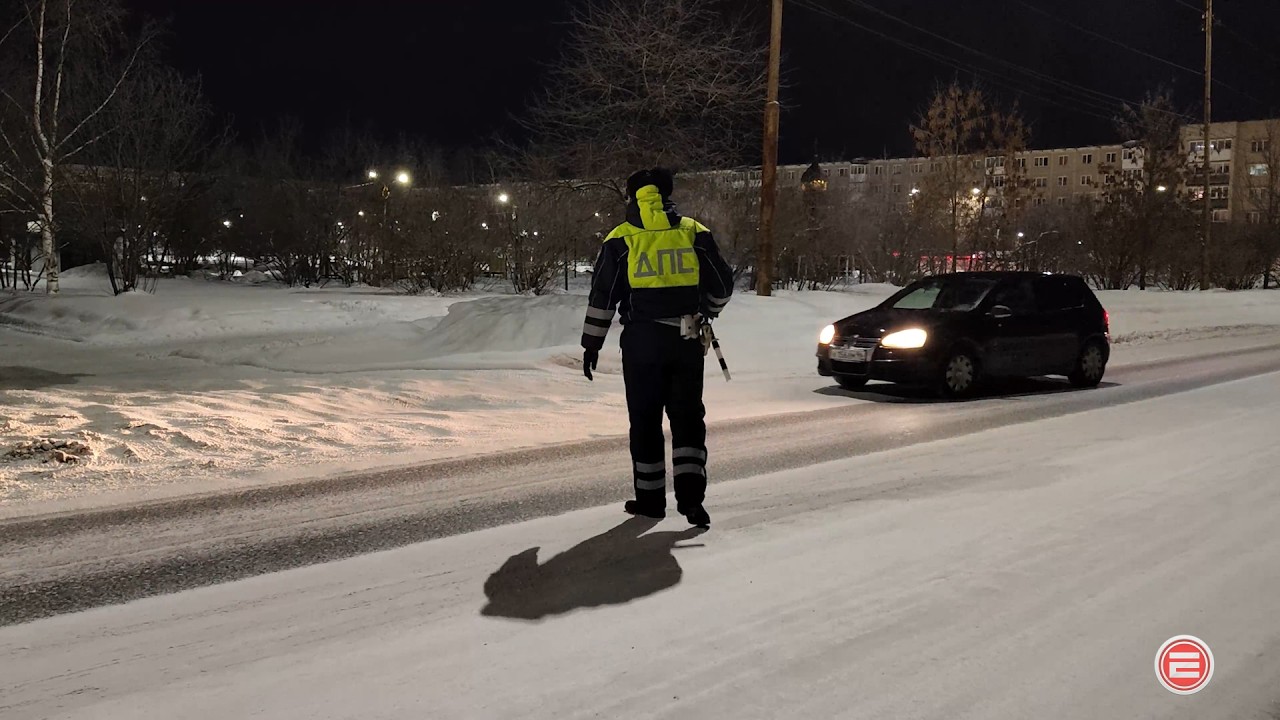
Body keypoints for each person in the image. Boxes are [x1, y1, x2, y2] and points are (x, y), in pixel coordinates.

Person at [580, 167, 734, 528]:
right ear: (666, 196)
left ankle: (650, 501)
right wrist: (705, 313)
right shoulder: (693, 232)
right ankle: (692, 502)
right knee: (687, 421)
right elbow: (723, 286)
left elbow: (603, 296)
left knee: (645, 422)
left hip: (642, 344)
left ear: (632, 198)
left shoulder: (622, 238)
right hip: (686, 340)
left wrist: (592, 345)